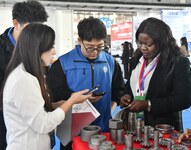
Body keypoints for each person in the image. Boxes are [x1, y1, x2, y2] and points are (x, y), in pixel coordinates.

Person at [0, 23, 92, 150]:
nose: (54, 51)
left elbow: (32, 111)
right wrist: (71, 101)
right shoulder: (23, 80)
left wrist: (57, 105)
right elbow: (43, 124)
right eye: (51, 46)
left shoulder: (30, 74)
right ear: (37, 48)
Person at [46, 16, 124, 150]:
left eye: (100, 47)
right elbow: (55, 95)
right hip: (72, 131)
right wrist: (78, 99)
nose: (95, 52)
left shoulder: (110, 62)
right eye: (90, 47)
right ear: (79, 41)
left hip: (103, 129)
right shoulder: (63, 63)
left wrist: (109, 111)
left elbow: (118, 90)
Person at [120, 17, 191, 132]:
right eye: (140, 43)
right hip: (135, 126)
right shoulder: (136, 59)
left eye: (148, 44)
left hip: (163, 128)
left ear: (161, 42)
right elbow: (131, 84)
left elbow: (184, 100)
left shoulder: (178, 63)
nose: (143, 47)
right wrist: (126, 95)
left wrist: (148, 104)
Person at [0, 1, 48, 149]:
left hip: (37, 124)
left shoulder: (39, 49)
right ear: (16, 23)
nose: (35, 36)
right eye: (30, 29)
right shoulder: (2, 50)